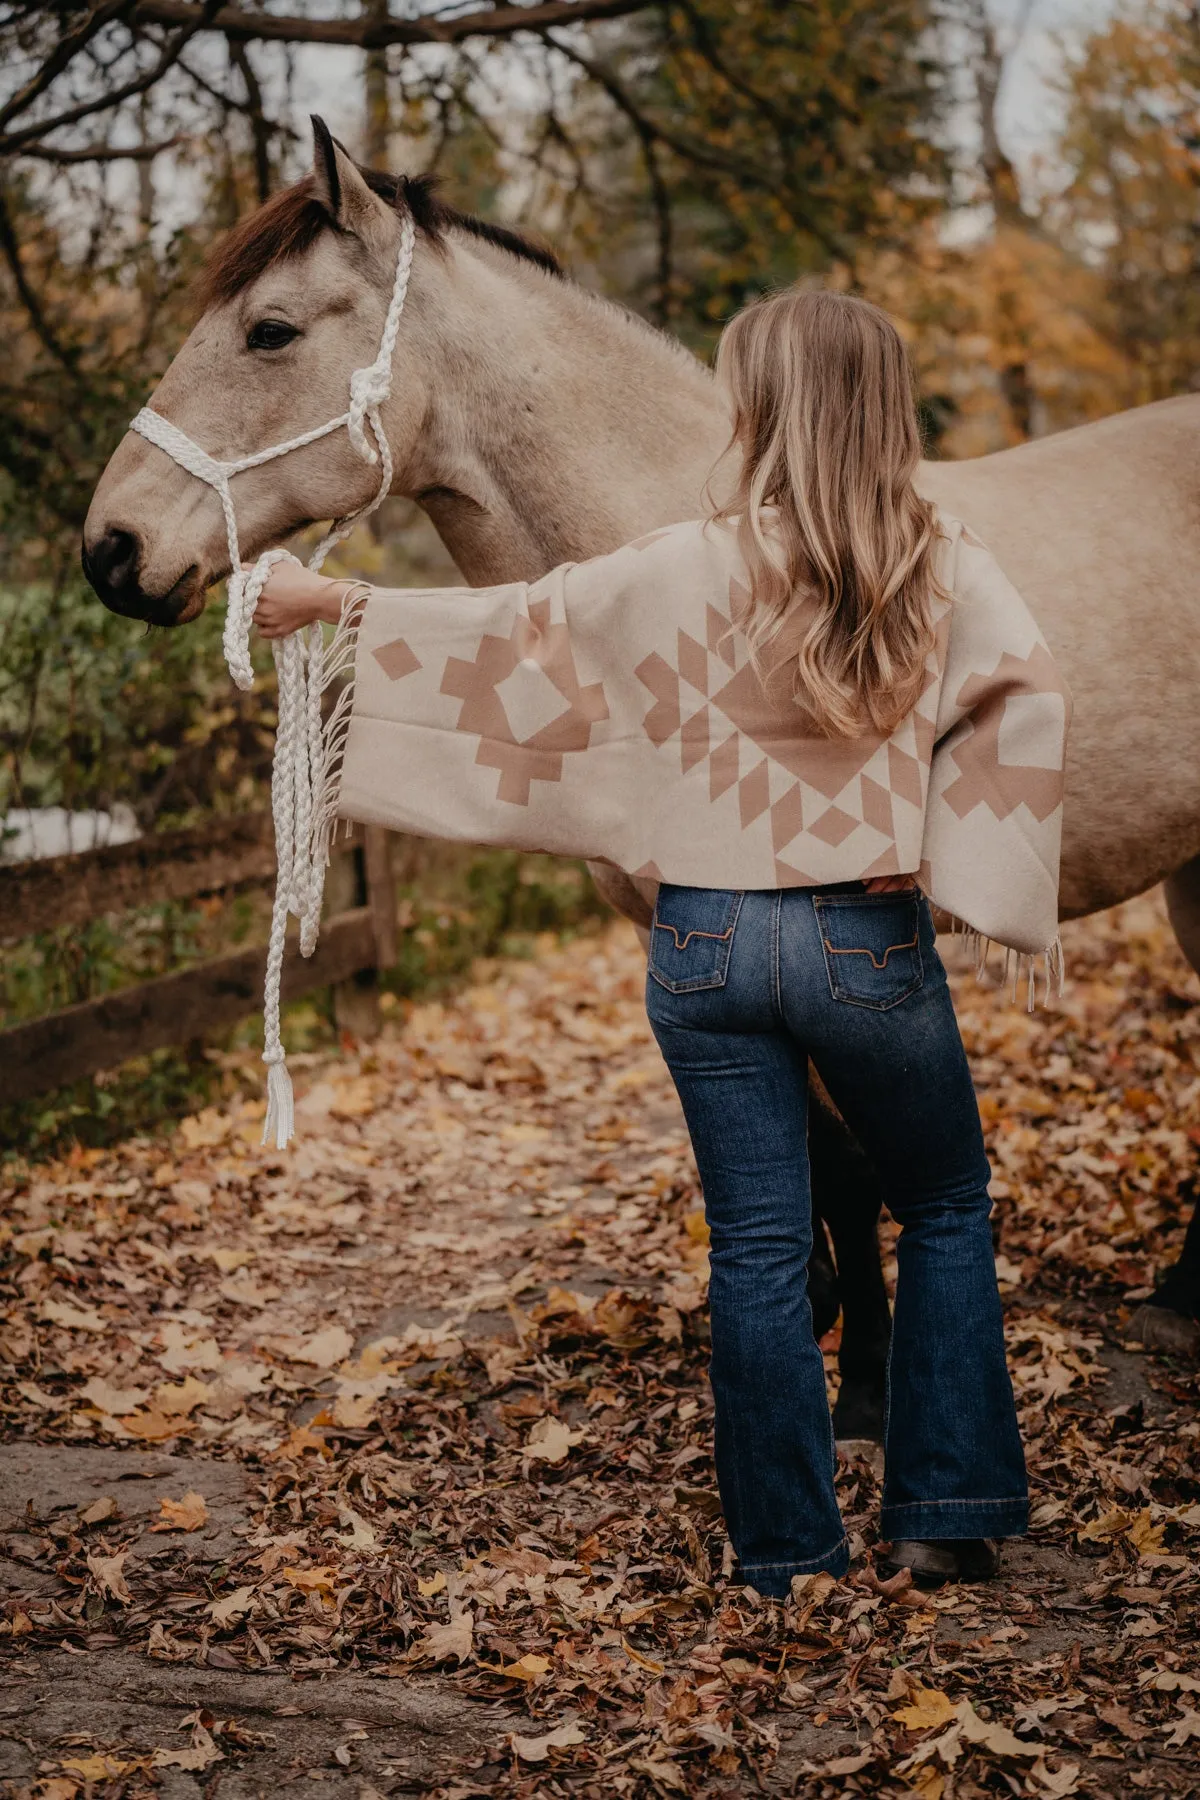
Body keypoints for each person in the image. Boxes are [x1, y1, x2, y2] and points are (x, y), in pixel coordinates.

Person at [252, 287, 1069, 1594]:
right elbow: (1022, 701)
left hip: (701, 942)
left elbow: (518, 628)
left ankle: (788, 1556)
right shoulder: (939, 557)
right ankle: (943, 1515)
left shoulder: (677, 563)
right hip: (864, 935)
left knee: (754, 1242)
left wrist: (331, 599)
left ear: (761, 410)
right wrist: (974, 874)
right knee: (946, 1204)